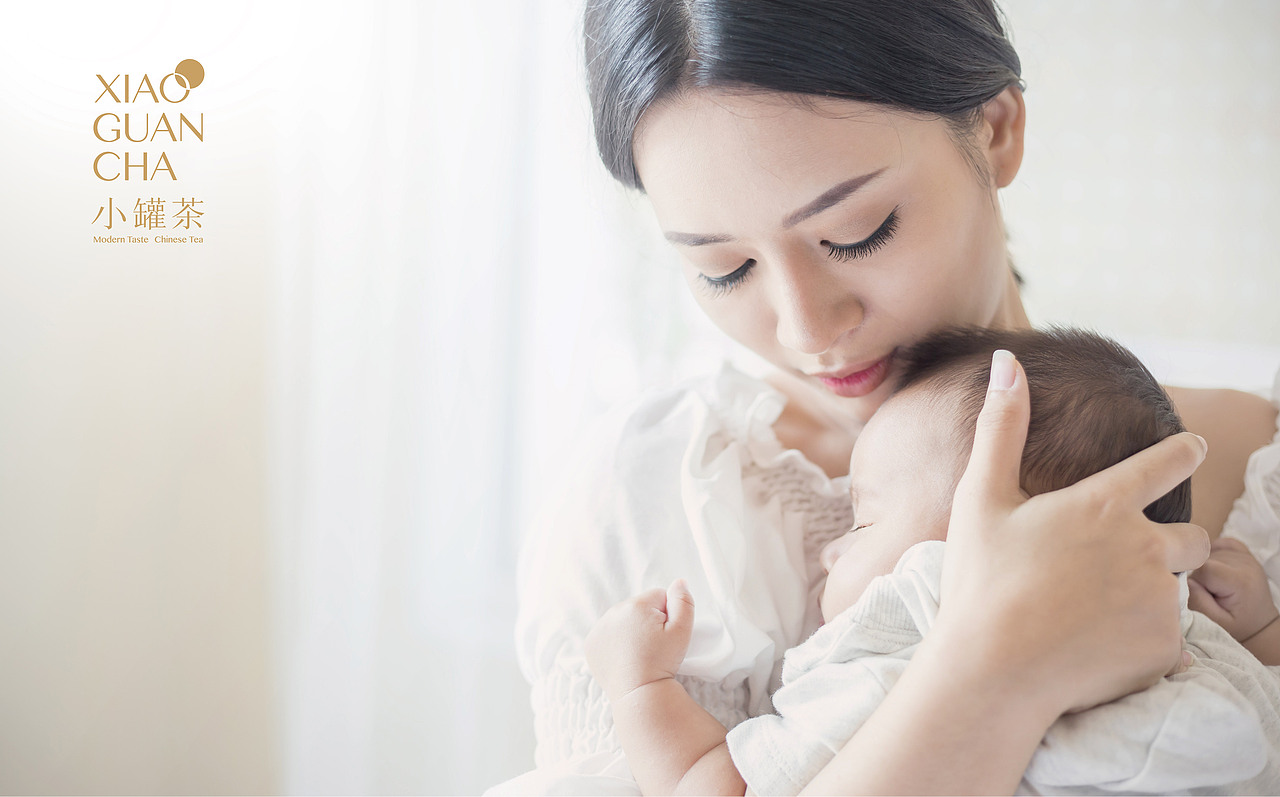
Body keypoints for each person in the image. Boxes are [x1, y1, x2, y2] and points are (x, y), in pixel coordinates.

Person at [494, 1, 1280, 793]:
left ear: (996, 128)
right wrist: (994, 667)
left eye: (856, 231)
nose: (807, 330)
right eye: (725, 269)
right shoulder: (655, 500)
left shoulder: (1260, 468)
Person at [584, 328, 1280, 795]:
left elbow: (721, 787)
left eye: (864, 518)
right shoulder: (1169, 628)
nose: (832, 546)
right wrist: (1255, 634)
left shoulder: (893, 644)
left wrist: (640, 688)